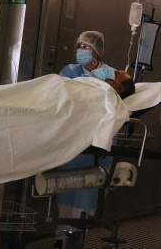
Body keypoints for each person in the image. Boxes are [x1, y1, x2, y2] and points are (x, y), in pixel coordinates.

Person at [53, 31, 134, 248]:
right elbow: (59, 96)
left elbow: (116, 103)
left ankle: (78, 236)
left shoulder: (110, 74)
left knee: (89, 188)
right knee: (67, 186)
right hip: (73, 139)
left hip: (98, 139)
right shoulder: (70, 71)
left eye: (86, 46)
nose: (81, 50)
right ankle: (62, 237)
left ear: (97, 51)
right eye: (79, 45)